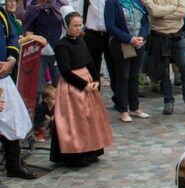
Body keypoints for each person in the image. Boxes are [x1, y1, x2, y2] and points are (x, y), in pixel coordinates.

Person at [51, 12, 113, 166]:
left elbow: (90, 62)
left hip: (88, 83)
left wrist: (96, 80)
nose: (78, 29)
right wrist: (83, 85)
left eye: (80, 25)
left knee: (91, 119)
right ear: (67, 26)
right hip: (72, 86)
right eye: (75, 26)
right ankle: (76, 155)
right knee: (75, 121)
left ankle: (92, 151)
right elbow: (65, 71)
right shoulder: (61, 46)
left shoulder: (81, 42)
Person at [143, 0, 185, 115]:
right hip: (159, 37)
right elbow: (154, 12)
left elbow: (184, 12)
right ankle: (168, 101)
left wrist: (162, 15)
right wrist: (174, 8)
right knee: (164, 72)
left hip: (178, 36)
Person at [0, 5, 36, 181]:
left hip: (3, 75)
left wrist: (11, 60)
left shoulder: (1, 13)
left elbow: (13, 36)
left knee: (12, 119)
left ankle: (13, 165)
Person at [104, 0, 151, 123]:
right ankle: (123, 110)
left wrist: (142, 36)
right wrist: (129, 38)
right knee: (123, 76)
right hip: (122, 44)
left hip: (139, 43)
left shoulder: (137, 2)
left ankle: (135, 107)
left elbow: (145, 21)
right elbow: (110, 26)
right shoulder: (112, 3)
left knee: (134, 76)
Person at [23, 0, 64, 102]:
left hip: (57, 51)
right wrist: (38, 39)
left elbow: (67, 27)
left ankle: (59, 112)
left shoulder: (60, 7)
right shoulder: (32, 9)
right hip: (39, 53)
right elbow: (28, 34)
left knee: (59, 82)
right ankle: (37, 112)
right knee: (38, 86)